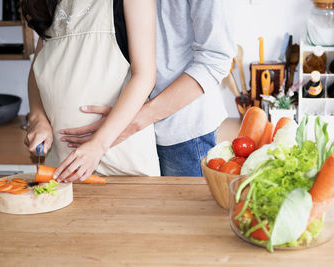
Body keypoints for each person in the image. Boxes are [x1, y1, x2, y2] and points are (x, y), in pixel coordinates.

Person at [60, 0, 236, 177]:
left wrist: (127, 124)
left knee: (184, 205)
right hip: (124, 126)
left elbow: (215, 60)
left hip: (180, 134)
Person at [22, 0, 160, 182]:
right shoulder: (50, 4)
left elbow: (144, 76)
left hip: (120, 165)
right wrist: (37, 118)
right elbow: (37, 71)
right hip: (61, 166)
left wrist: (98, 145)